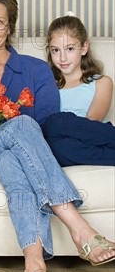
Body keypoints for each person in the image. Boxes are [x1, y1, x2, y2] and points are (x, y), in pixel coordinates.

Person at [0, 0, 115, 272]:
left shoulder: (36, 70)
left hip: (15, 156)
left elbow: (45, 127)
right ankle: (78, 225)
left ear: (10, 26)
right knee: (21, 125)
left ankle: (34, 269)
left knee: (15, 167)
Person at [42, 15, 115, 166]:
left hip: (94, 136)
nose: (62, 57)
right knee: (57, 146)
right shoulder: (47, 85)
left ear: (84, 48)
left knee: (56, 121)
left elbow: (92, 121)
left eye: (69, 49)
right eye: (56, 50)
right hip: (66, 147)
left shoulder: (101, 83)